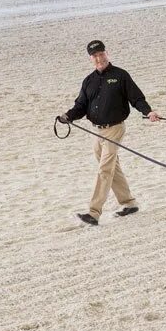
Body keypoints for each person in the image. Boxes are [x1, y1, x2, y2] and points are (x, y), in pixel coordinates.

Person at [57, 40, 160, 226]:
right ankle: (129, 203)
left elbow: (136, 98)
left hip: (115, 129)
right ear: (91, 58)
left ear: (107, 53)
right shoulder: (88, 80)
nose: (99, 58)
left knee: (105, 169)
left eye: (101, 54)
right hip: (96, 132)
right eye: (95, 56)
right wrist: (68, 116)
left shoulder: (121, 75)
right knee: (113, 167)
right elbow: (80, 106)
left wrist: (148, 112)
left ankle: (93, 213)